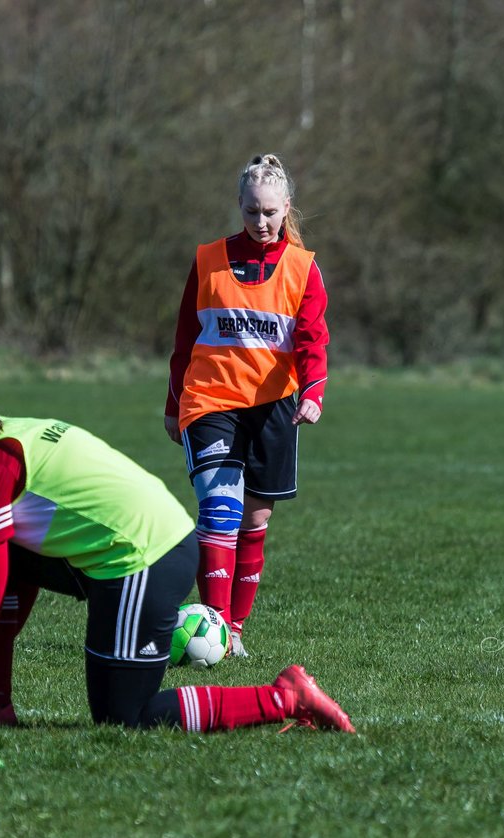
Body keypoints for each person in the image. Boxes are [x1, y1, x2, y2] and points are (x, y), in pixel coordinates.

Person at [0, 371, 353, 733]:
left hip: (145, 559)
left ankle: (284, 697)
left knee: (125, 718)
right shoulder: (12, 427)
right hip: (155, 538)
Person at [164, 153, 329, 658]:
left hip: (273, 406)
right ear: (239, 205)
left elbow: (312, 339)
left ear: (286, 209)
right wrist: (174, 404)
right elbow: (185, 337)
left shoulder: (303, 267)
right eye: (252, 211)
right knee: (219, 510)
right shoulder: (208, 259)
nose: (261, 222)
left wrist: (314, 391)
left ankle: (233, 630)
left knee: (254, 522)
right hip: (211, 399)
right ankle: (212, 624)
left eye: (271, 213)